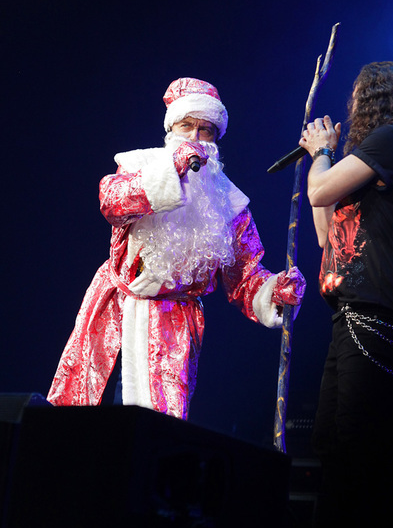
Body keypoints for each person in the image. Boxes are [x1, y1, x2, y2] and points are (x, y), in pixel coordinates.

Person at [48, 77, 305, 420]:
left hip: (172, 329)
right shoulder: (139, 166)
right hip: (114, 310)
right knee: (79, 419)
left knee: (151, 432)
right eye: (187, 127)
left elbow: (245, 278)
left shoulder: (229, 203)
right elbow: (112, 203)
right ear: (172, 130)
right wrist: (171, 173)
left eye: (206, 130)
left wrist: (274, 292)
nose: (196, 139)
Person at [298, 62, 393, 528]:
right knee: (330, 440)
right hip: (352, 316)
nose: (351, 106)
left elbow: (318, 189)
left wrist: (322, 154)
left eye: (357, 96)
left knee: (356, 445)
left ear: (375, 98)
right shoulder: (379, 163)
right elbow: (326, 235)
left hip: (378, 317)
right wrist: (326, 159)